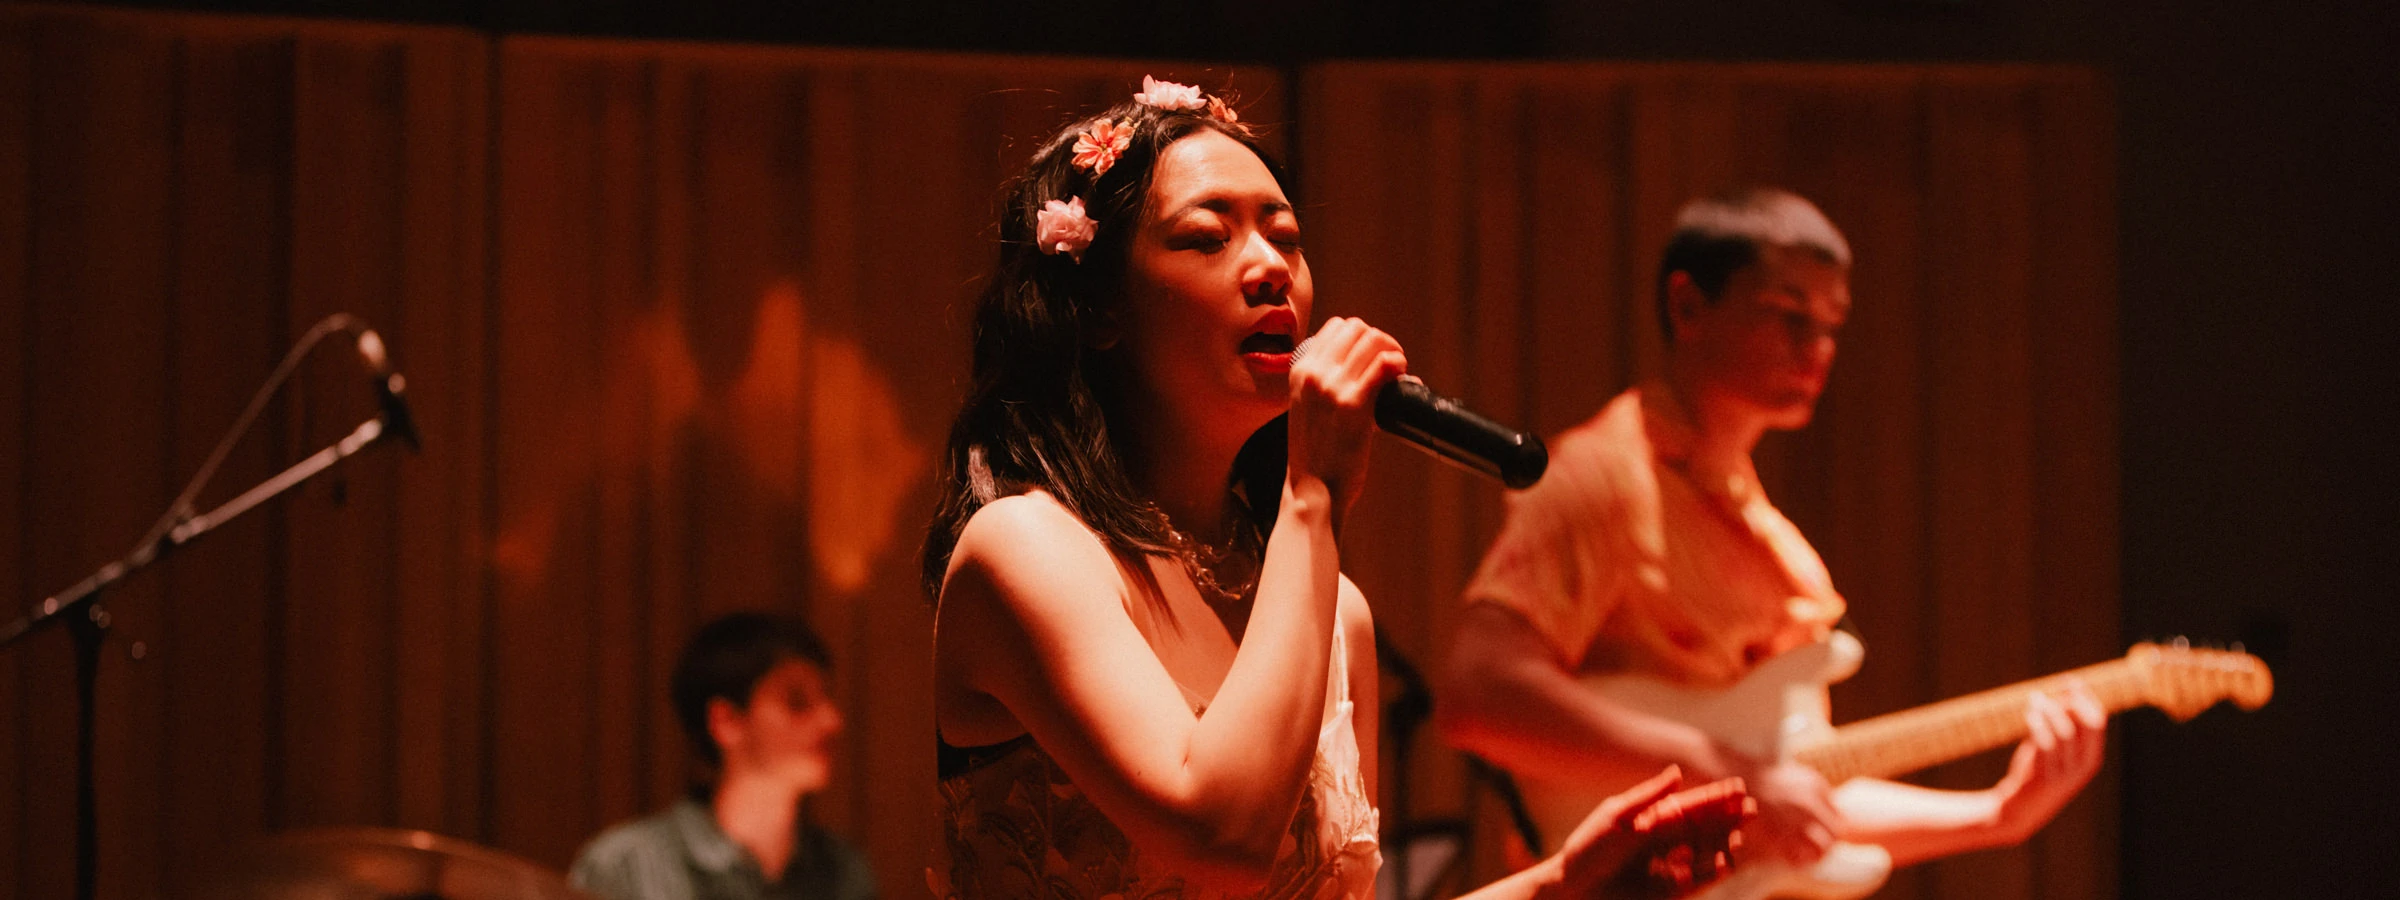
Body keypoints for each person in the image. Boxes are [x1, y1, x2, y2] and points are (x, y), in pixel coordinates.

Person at [921, 76, 1750, 900]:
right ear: (1099, 310)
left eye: (1286, 237)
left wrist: (1559, 889)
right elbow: (1219, 840)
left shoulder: (1333, 612)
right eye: (1208, 239)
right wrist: (1311, 491)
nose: (1270, 269)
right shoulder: (1027, 550)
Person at [1435, 188, 2109, 875]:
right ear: (1689, 306)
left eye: (1831, 324)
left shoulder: (1780, 548)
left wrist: (1999, 814)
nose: (1816, 347)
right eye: (1788, 315)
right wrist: (1723, 769)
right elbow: (1480, 691)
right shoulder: (1600, 479)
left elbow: (1798, 796)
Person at [572, 612, 876, 900]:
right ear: (726, 721)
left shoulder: (843, 872)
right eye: (797, 702)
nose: (831, 720)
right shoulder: (626, 866)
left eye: (826, 698)